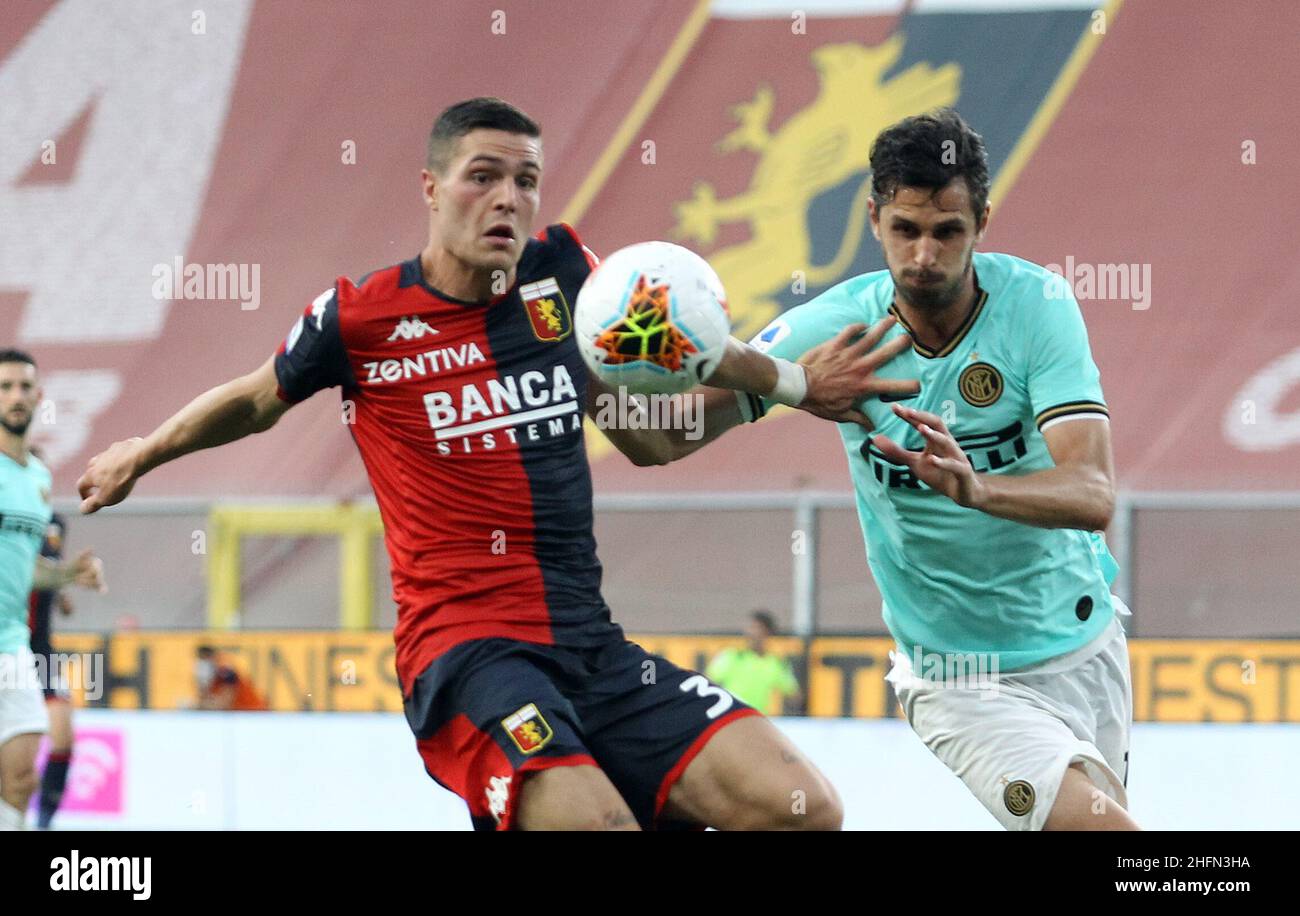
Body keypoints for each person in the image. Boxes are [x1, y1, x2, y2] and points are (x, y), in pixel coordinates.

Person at [76, 97, 916, 831]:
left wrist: (798, 385)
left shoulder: (568, 281)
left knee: (799, 808)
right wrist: (142, 453)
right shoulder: (359, 318)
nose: (508, 198)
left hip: (590, 647)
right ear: (432, 188)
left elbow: (649, 434)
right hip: (466, 654)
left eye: (526, 180)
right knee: (594, 824)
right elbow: (256, 400)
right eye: (484, 176)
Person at [645, 109, 1136, 831]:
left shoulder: (1038, 307)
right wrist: (789, 383)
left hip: (1087, 643)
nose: (924, 256)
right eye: (905, 230)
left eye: (947, 231)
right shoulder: (841, 330)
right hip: (960, 679)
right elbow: (664, 438)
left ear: (983, 222)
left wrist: (976, 488)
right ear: (873, 218)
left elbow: (1093, 494)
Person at [0, 350, 105, 831]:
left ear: (38, 397)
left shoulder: (38, 482)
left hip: (13, 649)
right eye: (4, 387)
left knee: (21, 776)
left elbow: (25, 572)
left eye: (24, 387)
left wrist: (67, 575)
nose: (15, 397)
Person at [25, 500, 77, 830]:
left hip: (42, 652)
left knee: (62, 737)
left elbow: (49, 576)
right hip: (9, 649)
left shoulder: (54, 523)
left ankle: (45, 819)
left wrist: (61, 590)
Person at [706, 611, 801, 716]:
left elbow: (793, 694)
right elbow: (707, 682)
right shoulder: (732, 656)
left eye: (757, 628)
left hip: (756, 720)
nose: (752, 632)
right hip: (729, 718)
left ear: (768, 632)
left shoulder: (775, 663)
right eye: (750, 628)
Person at [194, 645, 268, 711]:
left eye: (204, 659)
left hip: (253, 712)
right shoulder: (213, 679)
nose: (202, 665)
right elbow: (208, 699)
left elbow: (225, 703)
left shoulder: (225, 672)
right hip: (243, 714)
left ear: (212, 658)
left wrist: (200, 707)